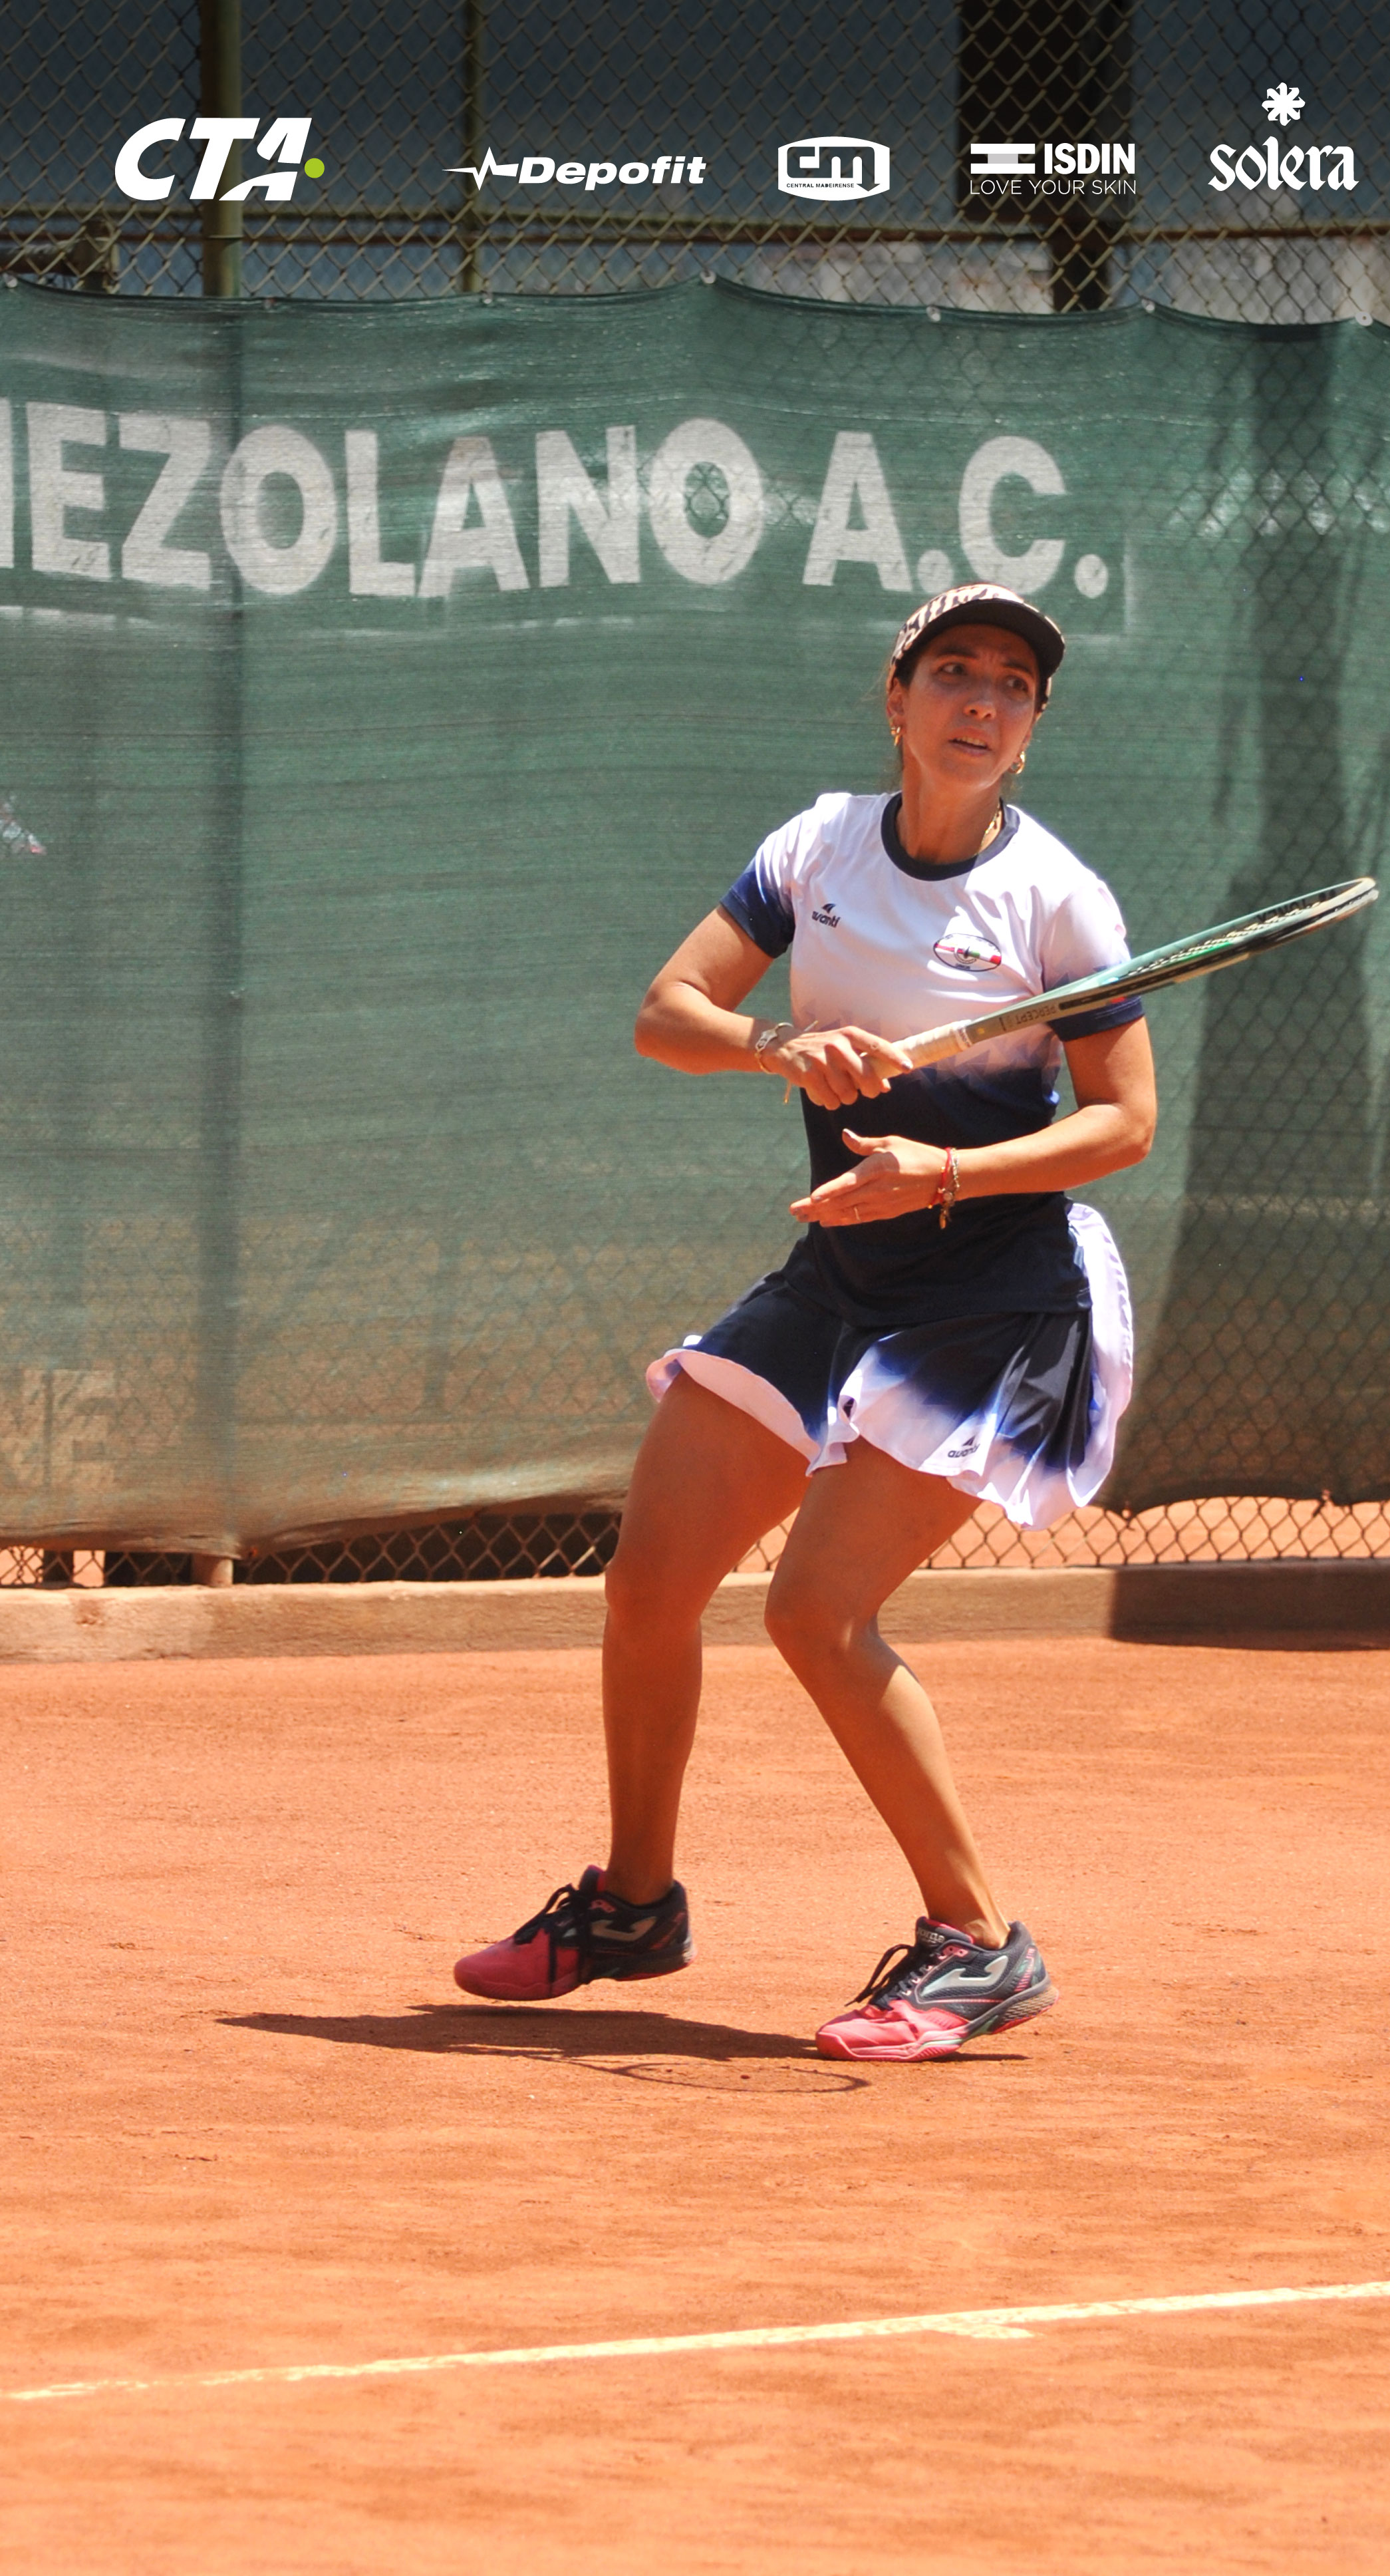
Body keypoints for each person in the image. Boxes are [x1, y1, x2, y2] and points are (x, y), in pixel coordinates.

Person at [454, 581, 1157, 2060]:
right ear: (894, 701)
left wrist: (945, 1165)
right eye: (953, 669)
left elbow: (1122, 1123)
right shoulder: (817, 847)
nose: (981, 697)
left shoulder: (1059, 900)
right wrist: (782, 1044)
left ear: (1031, 731)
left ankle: (979, 1942)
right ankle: (635, 1905)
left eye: (1014, 684)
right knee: (651, 1580)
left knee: (814, 1612)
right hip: (842, 1273)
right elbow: (668, 1010)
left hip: (998, 1294)